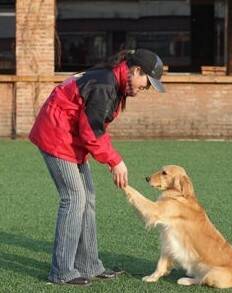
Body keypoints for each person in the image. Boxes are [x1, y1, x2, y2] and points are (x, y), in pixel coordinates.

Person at [29, 49, 165, 286]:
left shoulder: (114, 81)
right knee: (74, 199)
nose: (147, 88)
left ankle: (89, 264)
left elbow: (95, 126)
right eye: (147, 82)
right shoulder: (106, 83)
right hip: (56, 136)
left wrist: (111, 157)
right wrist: (114, 160)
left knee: (88, 198)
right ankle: (61, 271)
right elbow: (91, 130)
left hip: (71, 138)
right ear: (136, 71)